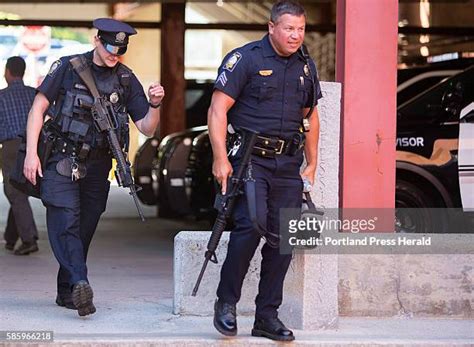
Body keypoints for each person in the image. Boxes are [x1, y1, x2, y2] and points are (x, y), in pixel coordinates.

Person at [23, 18, 164, 317]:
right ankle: (80, 281)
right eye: (111, 47)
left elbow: (147, 128)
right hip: (62, 157)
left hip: (99, 165)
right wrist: (31, 155)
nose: (115, 54)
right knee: (66, 219)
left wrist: (154, 105)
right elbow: (38, 108)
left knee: (84, 226)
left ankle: (67, 290)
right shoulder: (68, 67)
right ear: (97, 40)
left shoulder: (126, 79)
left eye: (120, 50)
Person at [207, 0, 322, 342]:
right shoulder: (246, 59)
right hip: (250, 160)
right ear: (271, 27)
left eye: (300, 29)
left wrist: (312, 163)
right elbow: (217, 109)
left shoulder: (305, 65)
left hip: (288, 163)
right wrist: (219, 158)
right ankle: (226, 304)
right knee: (250, 227)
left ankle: (266, 316)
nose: (295, 36)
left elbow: (311, 114)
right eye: (289, 28)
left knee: (283, 239)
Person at [0, 56, 39, 255]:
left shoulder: (1, 97)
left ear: (7, 71)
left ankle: (29, 238)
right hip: (34, 148)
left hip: (11, 148)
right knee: (18, 191)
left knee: (15, 192)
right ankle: (11, 237)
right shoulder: (34, 94)